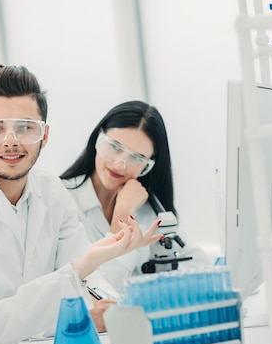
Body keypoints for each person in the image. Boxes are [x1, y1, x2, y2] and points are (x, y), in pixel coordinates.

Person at [0, 64, 161, 344]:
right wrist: (80, 311)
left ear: (45, 135)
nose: (10, 141)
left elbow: (91, 280)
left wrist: (105, 306)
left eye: (25, 127)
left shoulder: (51, 192)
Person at [60, 100, 208, 288]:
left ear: (148, 166)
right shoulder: (62, 199)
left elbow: (198, 265)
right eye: (115, 146)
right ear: (99, 137)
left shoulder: (150, 209)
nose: (120, 164)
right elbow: (102, 288)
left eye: (137, 158)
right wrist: (123, 214)